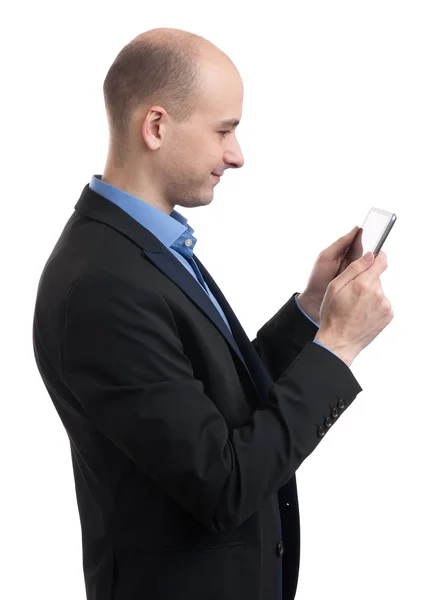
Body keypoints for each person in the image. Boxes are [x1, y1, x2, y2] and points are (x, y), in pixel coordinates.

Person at [32, 27, 393, 600]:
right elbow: (223, 483)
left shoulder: (144, 251)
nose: (237, 155)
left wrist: (310, 312)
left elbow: (220, 406)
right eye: (224, 130)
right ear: (156, 127)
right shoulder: (101, 284)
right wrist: (339, 347)